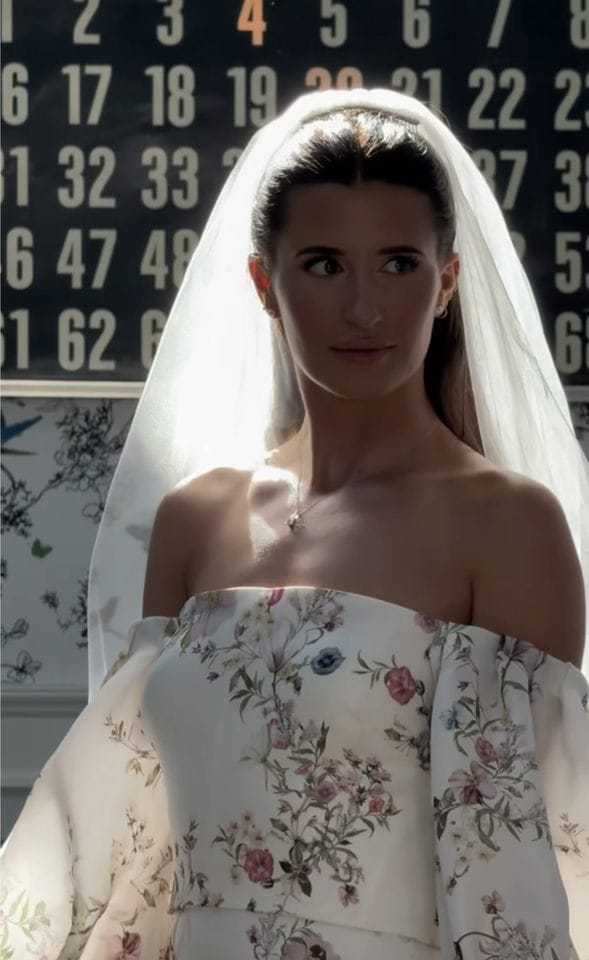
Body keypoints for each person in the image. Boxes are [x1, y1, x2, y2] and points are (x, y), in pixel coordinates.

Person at [1, 88, 588, 960]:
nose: (364, 308)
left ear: (446, 282)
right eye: (322, 265)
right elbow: (137, 856)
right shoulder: (195, 520)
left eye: (398, 264)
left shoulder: (506, 526)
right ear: (263, 284)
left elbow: (515, 877)